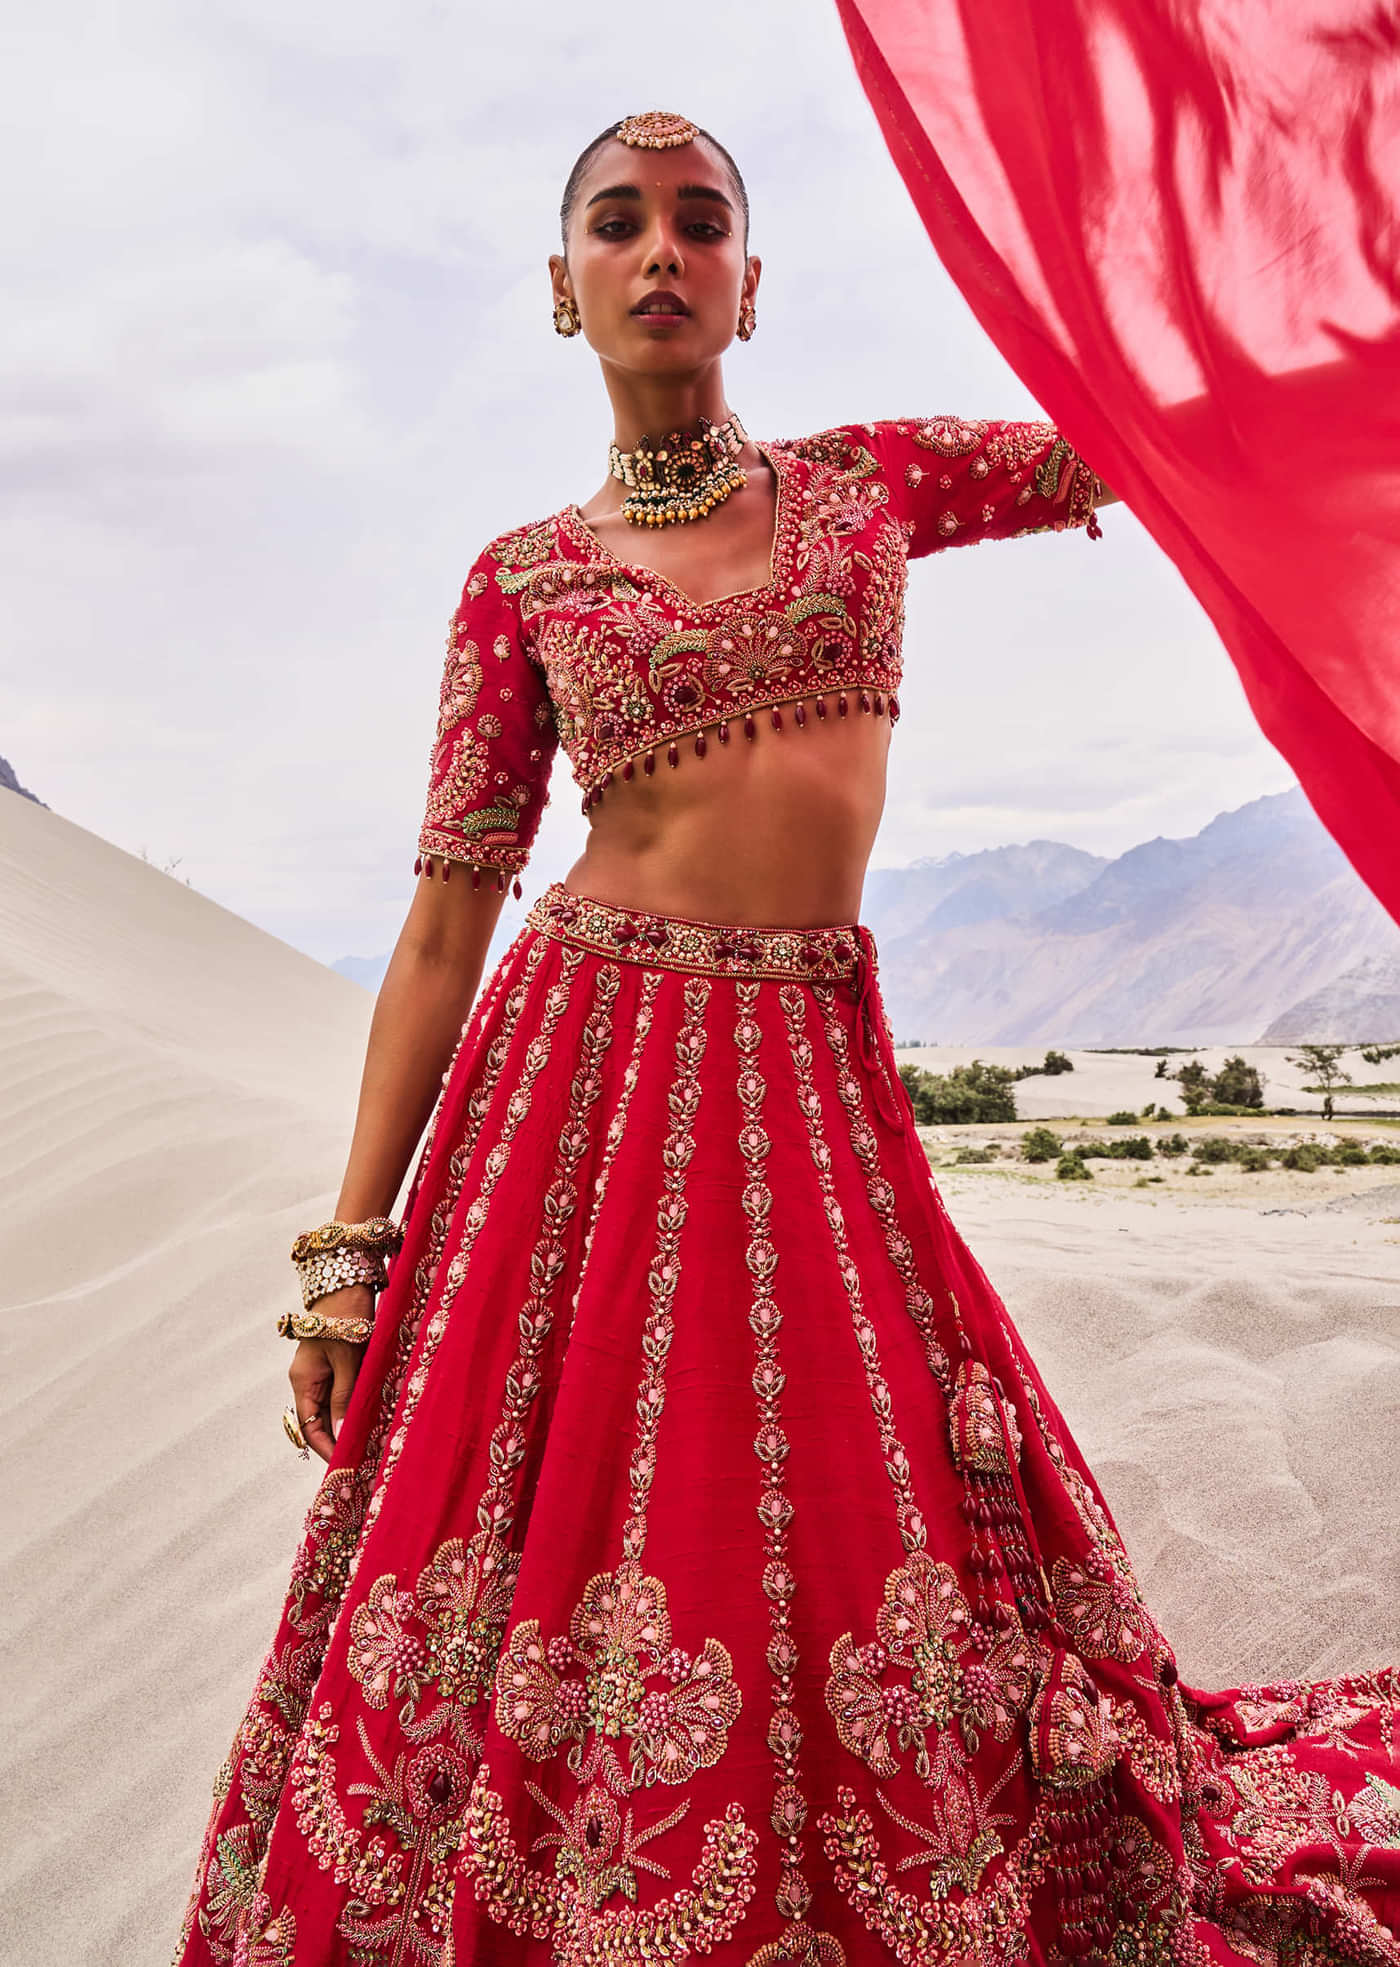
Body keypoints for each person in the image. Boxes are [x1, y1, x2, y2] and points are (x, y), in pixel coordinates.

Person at [172, 113, 1400, 1967]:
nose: (660, 251)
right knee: (556, 1526)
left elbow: (1120, 443)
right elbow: (443, 919)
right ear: (561, 281)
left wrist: (1311, 322)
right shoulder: (520, 583)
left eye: (701, 221)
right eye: (617, 223)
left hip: (806, 1084)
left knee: (869, 1486)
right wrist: (351, 1249)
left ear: (754, 278)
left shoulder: (866, 488)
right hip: (574, 1082)